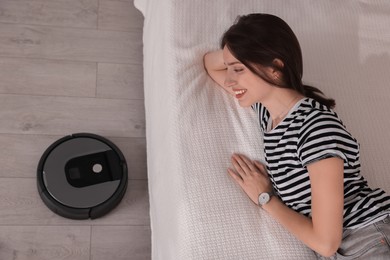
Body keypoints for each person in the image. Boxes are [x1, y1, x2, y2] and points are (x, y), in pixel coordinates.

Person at [203, 13, 390, 259]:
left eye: (238, 69)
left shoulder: (316, 130)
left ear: (275, 67)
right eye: (230, 68)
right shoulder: (268, 113)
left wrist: (265, 197)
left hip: (367, 238)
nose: (229, 79)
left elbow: (326, 243)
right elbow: (210, 64)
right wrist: (237, 50)